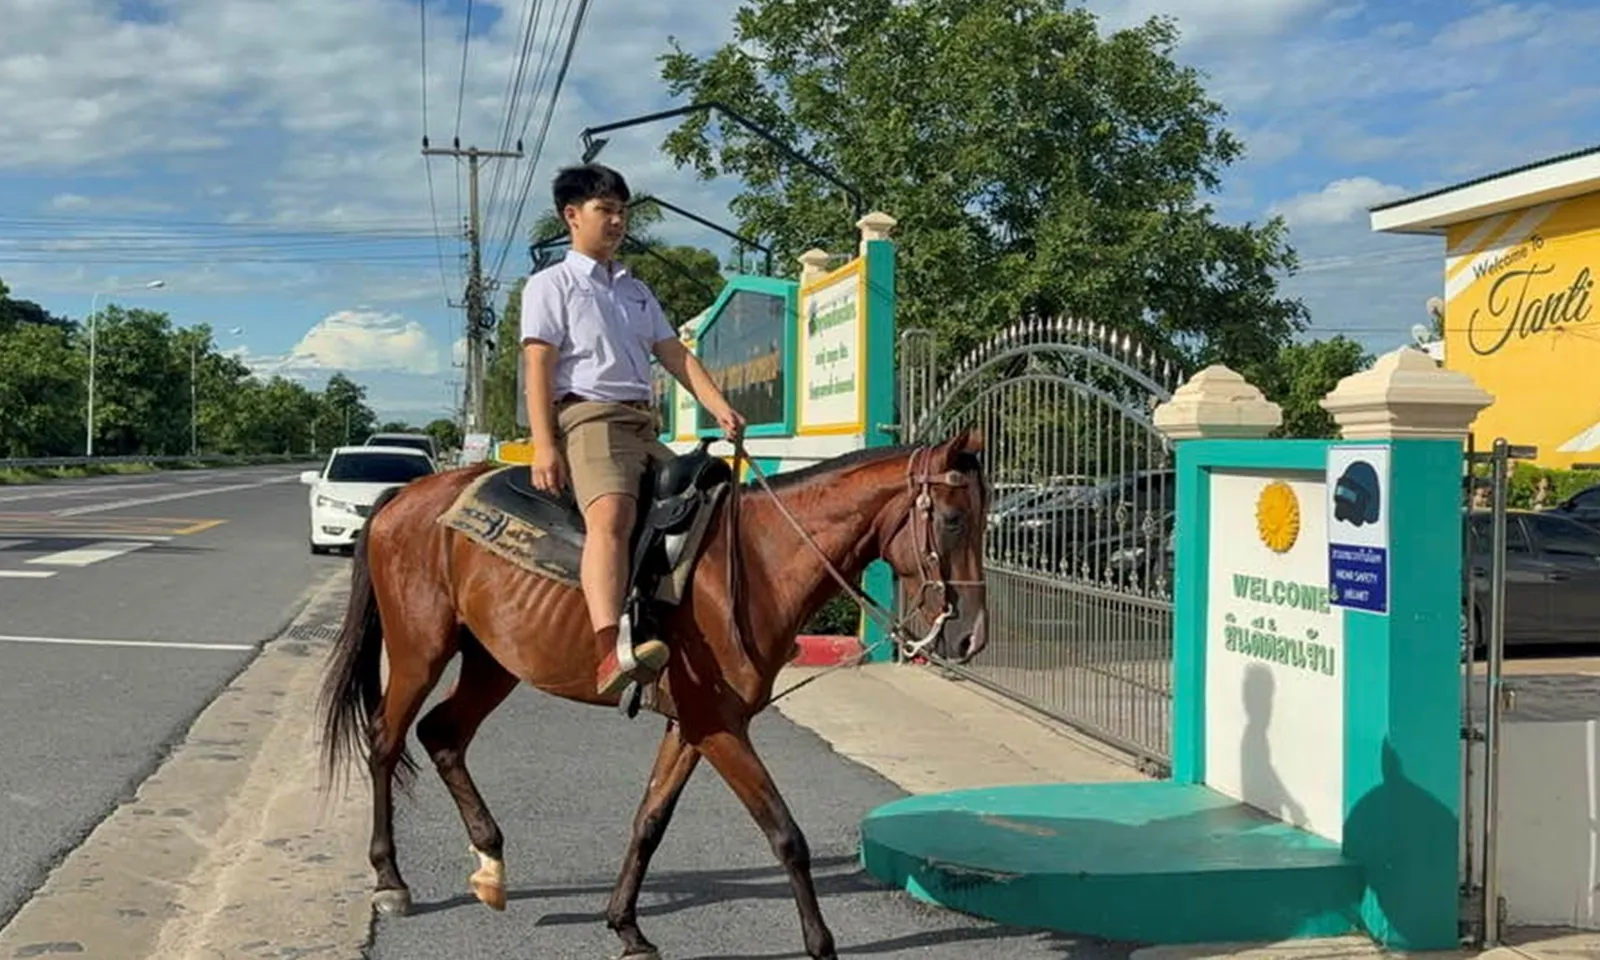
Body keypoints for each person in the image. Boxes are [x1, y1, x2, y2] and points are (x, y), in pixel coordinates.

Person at [520, 163, 747, 697]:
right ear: (572, 216)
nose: (618, 220)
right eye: (606, 210)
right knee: (614, 514)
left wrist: (719, 406)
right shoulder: (551, 285)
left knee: (710, 504)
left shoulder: (635, 290)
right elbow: (537, 367)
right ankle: (607, 652)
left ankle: (675, 625)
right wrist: (544, 446)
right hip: (589, 417)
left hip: (643, 422)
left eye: (622, 211)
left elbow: (672, 353)